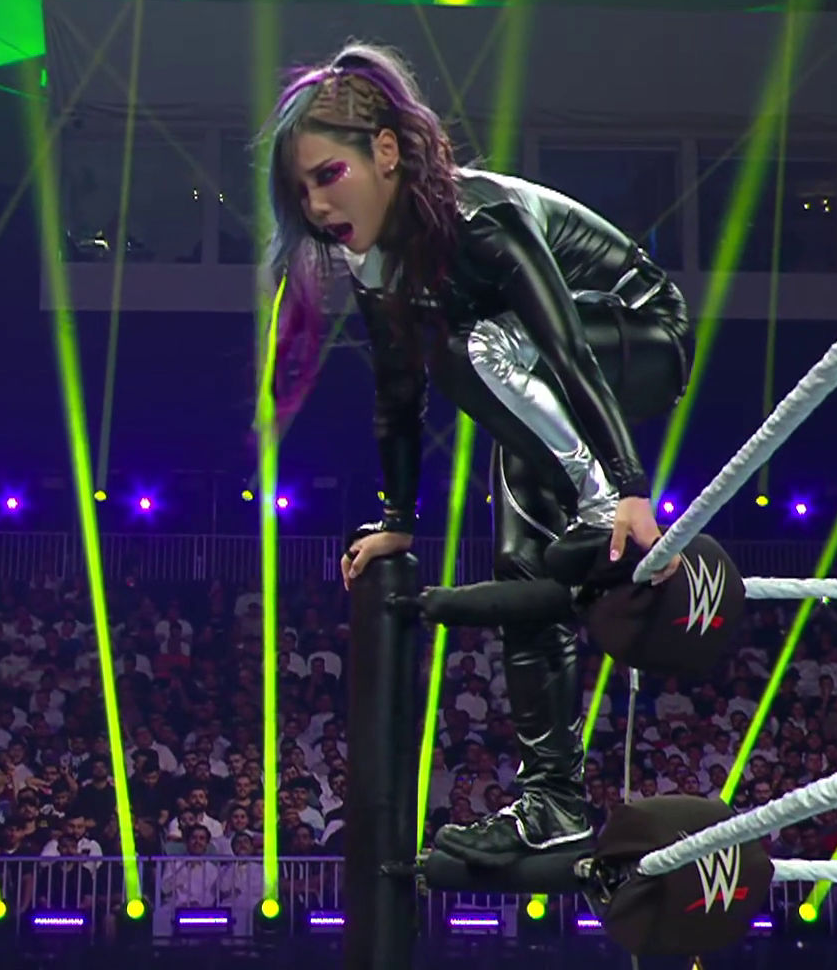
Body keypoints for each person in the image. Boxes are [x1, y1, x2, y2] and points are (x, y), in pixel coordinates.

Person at [261, 42, 694, 867]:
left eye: (328, 176)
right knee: (523, 566)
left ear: (386, 152)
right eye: (301, 190)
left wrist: (630, 491)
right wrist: (397, 521)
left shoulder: (479, 221)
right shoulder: (373, 258)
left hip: (637, 333)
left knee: (474, 348)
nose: (316, 206)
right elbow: (397, 395)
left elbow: (566, 350)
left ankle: (601, 507)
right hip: (537, 376)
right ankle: (554, 802)